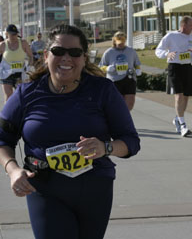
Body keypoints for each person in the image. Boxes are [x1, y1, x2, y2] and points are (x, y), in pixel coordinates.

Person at [0, 24, 141, 239]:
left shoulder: (102, 90)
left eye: (74, 53)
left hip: (95, 188)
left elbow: (131, 142)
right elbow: (2, 138)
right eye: (58, 52)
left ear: (84, 58)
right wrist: (13, 170)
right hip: (45, 188)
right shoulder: (26, 93)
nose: (66, 58)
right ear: (46, 55)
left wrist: (106, 147)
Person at [155, 16, 192, 137]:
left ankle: (178, 118)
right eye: (191, 25)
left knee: (186, 97)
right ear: (183, 25)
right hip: (175, 67)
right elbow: (158, 51)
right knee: (179, 95)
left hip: (187, 68)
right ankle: (183, 125)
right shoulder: (171, 36)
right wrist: (167, 54)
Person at [99, 31, 142, 111]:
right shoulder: (109, 52)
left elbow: (137, 63)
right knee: (117, 102)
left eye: (122, 42)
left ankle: (126, 117)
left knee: (130, 102)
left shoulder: (131, 51)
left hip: (129, 78)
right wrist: (107, 68)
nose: (120, 44)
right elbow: (101, 66)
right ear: (114, 41)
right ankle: (117, 118)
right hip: (114, 80)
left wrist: (138, 69)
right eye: (118, 42)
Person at [0, 24, 33, 102]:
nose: (14, 36)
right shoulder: (3, 45)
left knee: (22, 95)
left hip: (20, 73)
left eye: (16, 34)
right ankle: (9, 113)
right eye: (12, 34)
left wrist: (29, 66)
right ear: (7, 34)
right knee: (9, 96)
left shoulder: (23, 43)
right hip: (6, 74)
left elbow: (30, 56)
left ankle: (21, 113)